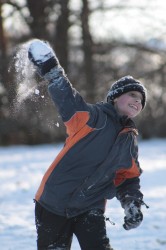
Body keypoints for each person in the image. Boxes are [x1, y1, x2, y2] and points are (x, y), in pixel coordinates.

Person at [28, 39, 148, 250]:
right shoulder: (93, 118)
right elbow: (68, 99)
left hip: (91, 206)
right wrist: (52, 70)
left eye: (141, 101)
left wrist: (132, 202)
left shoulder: (129, 140)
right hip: (54, 202)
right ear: (115, 97)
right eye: (133, 95)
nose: (137, 102)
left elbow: (127, 175)